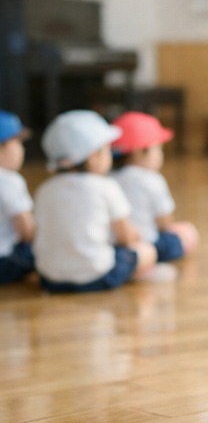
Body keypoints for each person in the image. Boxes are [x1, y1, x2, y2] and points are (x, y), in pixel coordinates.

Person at [34, 110, 174, 293]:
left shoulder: (44, 190)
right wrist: (136, 236)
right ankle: (139, 273)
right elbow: (125, 237)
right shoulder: (106, 187)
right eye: (107, 149)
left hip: (50, 280)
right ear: (93, 158)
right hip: (97, 277)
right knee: (147, 251)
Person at [111, 111, 198, 262]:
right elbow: (164, 223)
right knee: (187, 233)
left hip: (118, 244)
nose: (161, 155)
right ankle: (151, 262)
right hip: (149, 243)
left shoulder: (109, 178)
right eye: (159, 148)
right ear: (139, 152)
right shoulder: (153, 180)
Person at [0, 110, 36, 284]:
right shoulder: (9, 180)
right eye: (17, 143)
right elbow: (26, 230)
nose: (21, 150)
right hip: (5, 261)